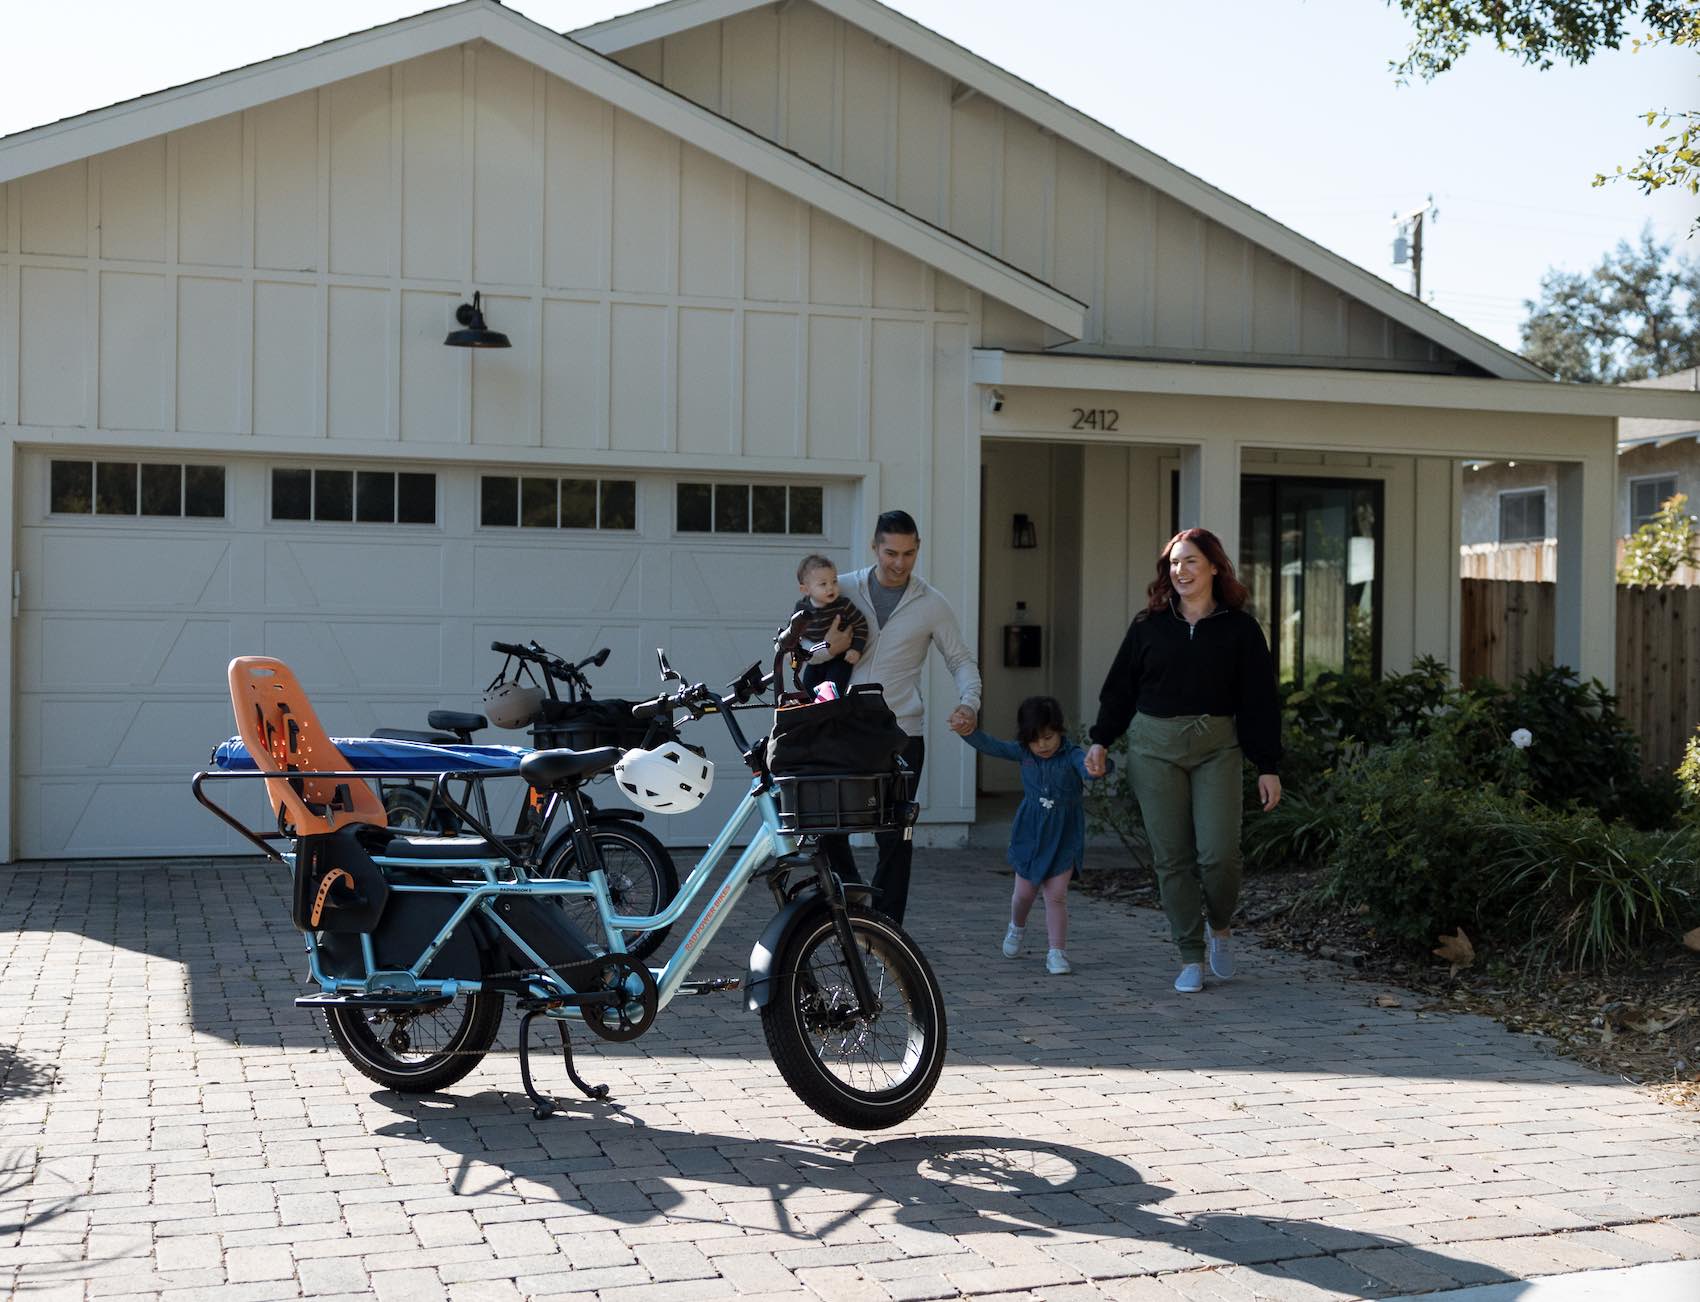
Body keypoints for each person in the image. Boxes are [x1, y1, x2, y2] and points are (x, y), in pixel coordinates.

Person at [1084, 527, 1282, 995]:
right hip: (1154, 747)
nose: (1181, 571)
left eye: (1191, 561)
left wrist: (1268, 764)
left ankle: (1221, 925)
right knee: (1171, 859)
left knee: (1219, 855)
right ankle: (1190, 955)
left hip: (1217, 746)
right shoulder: (1147, 626)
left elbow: (1260, 700)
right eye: (1174, 563)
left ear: (1214, 567)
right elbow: (1120, 690)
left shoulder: (1241, 629)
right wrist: (1101, 740)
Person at [818, 509, 981, 924]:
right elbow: (802, 653)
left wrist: (969, 703)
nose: (898, 563)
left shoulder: (931, 603)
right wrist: (828, 648)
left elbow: (960, 659)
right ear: (874, 547)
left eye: (908, 554)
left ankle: (888, 929)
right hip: (843, 728)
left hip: (902, 733)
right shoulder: (844, 589)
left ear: (917, 549)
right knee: (827, 823)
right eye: (890, 552)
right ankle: (850, 899)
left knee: (894, 836)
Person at [962, 696, 1104, 976]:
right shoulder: (1024, 753)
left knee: (1057, 895)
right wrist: (969, 732)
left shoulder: (1072, 754)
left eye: (1048, 737)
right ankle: (1016, 927)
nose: (1042, 745)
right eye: (1034, 739)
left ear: (1060, 731)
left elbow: (1089, 769)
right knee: (1023, 894)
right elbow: (994, 746)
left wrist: (1098, 767)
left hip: (1064, 835)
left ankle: (1056, 952)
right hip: (1029, 832)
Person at [789, 554, 870, 697]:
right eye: (823, 584)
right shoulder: (802, 609)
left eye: (834, 582)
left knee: (833, 691)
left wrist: (856, 649)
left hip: (840, 659)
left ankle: (831, 713)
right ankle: (814, 715)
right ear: (805, 590)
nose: (831, 588)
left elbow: (861, 624)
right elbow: (793, 632)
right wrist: (794, 650)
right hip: (814, 661)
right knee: (807, 688)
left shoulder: (843, 605)